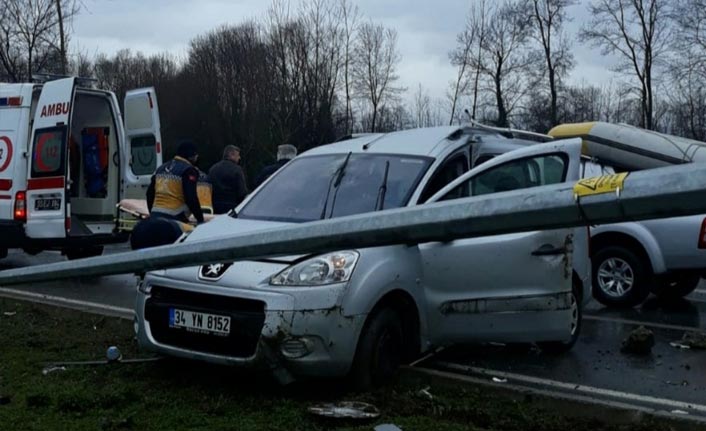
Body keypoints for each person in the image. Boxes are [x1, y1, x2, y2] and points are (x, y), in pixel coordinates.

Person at [131, 140, 204, 250]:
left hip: (156, 217)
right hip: (175, 219)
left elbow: (149, 194)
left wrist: (153, 214)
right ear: (191, 156)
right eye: (196, 156)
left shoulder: (161, 168)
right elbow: (191, 197)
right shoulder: (189, 170)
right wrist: (200, 220)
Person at [208, 145, 248, 214]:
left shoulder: (212, 169)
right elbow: (242, 192)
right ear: (231, 155)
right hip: (232, 207)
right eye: (238, 155)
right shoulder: (237, 169)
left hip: (214, 206)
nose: (239, 158)